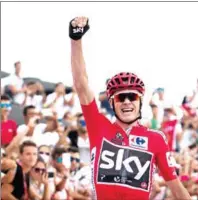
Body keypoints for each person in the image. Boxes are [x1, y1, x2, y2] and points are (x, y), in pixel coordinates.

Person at [69, 16, 191, 200]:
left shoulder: (156, 139)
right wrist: (76, 40)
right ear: (112, 103)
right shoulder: (98, 126)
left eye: (132, 96)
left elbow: (176, 187)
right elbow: (81, 84)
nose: (126, 101)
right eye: (120, 97)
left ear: (140, 102)